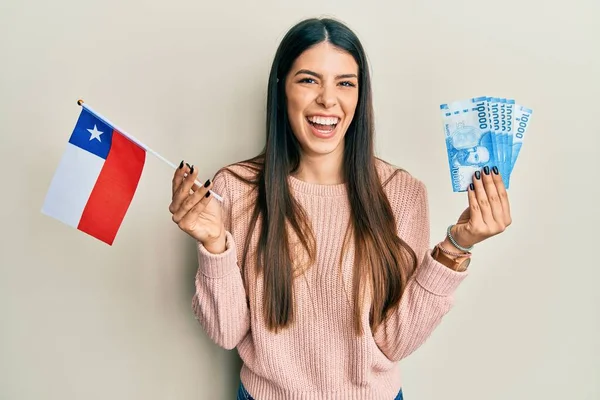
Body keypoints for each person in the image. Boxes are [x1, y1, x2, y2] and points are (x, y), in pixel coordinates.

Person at [168, 17, 512, 400]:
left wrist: (456, 248)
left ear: (360, 96)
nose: (328, 100)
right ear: (282, 89)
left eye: (345, 83)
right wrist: (215, 245)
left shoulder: (402, 194)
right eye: (309, 80)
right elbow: (226, 332)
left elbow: (394, 342)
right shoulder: (236, 188)